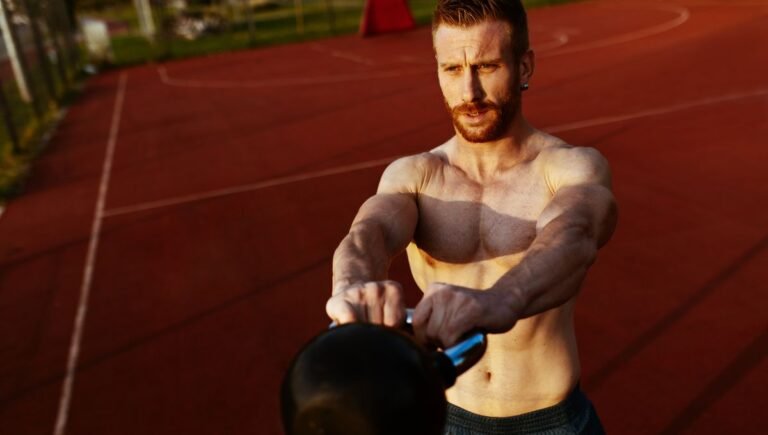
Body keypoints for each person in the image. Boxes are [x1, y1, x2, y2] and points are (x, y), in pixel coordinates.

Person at [326, 0, 617, 433]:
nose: (469, 93)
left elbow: (574, 235)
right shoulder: (416, 176)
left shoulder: (570, 168)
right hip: (450, 420)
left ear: (524, 67)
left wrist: (500, 300)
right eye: (452, 69)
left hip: (552, 423)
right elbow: (369, 232)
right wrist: (352, 284)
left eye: (486, 66)